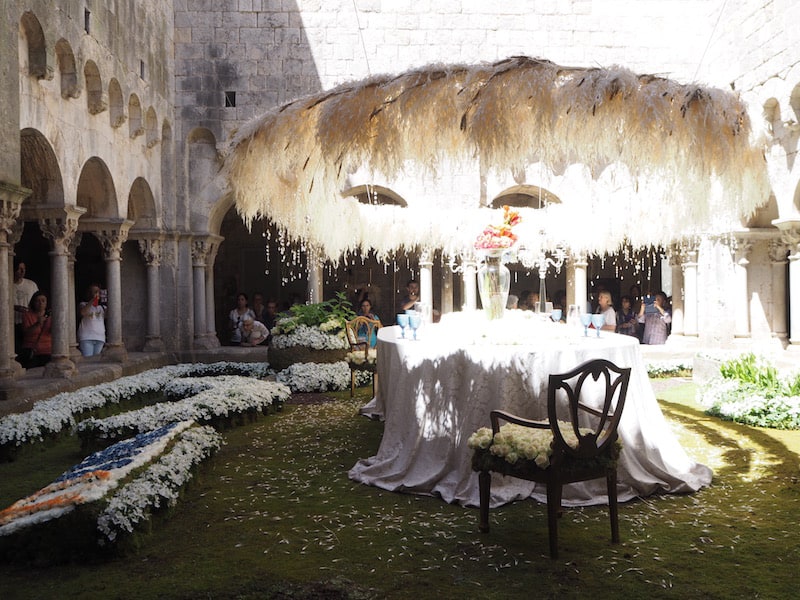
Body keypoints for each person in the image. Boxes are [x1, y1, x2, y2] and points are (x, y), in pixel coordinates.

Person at [18, 291, 52, 369]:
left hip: (48, 350)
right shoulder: (27, 315)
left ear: (47, 302)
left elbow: (54, 333)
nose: (40, 303)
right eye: (37, 301)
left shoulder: (51, 315)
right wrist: (37, 324)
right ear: (33, 302)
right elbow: (26, 332)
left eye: (43, 301)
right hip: (32, 350)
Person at [13, 258, 39, 353]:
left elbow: (37, 300)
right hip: (12, 323)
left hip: (29, 322)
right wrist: (15, 307)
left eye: (24, 268)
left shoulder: (31, 285)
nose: (22, 271)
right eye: (19, 268)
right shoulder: (5, 283)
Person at [78, 284, 106, 356]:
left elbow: (110, 316)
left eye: (99, 292)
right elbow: (83, 313)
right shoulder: (83, 304)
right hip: (86, 337)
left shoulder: (102, 307)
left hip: (100, 337)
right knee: (88, 360)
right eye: (95, 292)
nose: (97, 294)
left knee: (96, 362)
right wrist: (93, 300)